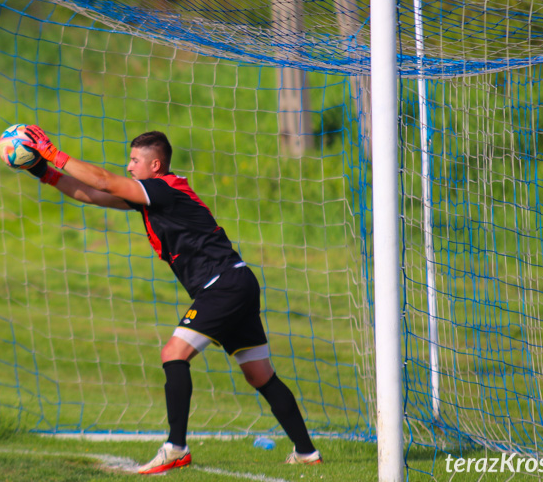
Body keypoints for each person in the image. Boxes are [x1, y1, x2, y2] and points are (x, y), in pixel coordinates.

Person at [20, 125, 321, 474]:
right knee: (259, 374)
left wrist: (54, 153)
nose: (129, 167)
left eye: (134, 161)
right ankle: (306, 452)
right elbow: (95, 195)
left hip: (222, 284)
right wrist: (44, 173)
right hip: (235, 282)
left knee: (173, 353)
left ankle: (176, 447)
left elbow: (103, 181)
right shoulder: (156, 194)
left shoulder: (164, 189)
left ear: (156, 166)